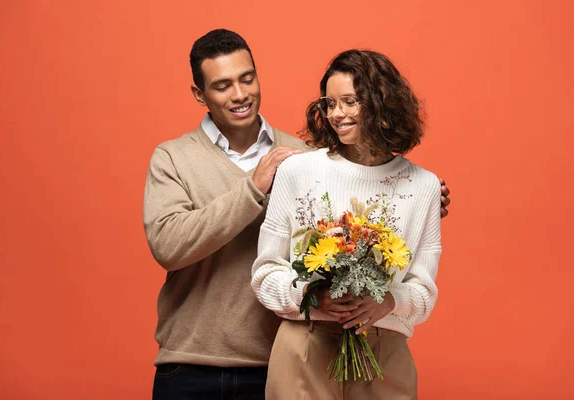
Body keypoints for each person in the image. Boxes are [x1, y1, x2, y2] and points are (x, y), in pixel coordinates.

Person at [144, 29, 450, 399]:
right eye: (222, 85)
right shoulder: (176, 158)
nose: (240, 94)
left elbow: (363, 189)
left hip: (274, 355)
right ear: (200, 94)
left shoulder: (300, 156)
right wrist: (253, 187)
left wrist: (418, 198)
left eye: (247, 78)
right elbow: (169, 245)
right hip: (193, 360)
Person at [252, 49, 442, 399]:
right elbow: (265, 272)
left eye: (350, 101)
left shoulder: (424, 185)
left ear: (382, 102)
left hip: (384, 352)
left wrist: (388, 300)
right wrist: (311, 295)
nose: (337, 114)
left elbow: (424, 292)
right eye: (330, 103)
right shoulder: (298, 172)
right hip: (304, 347)